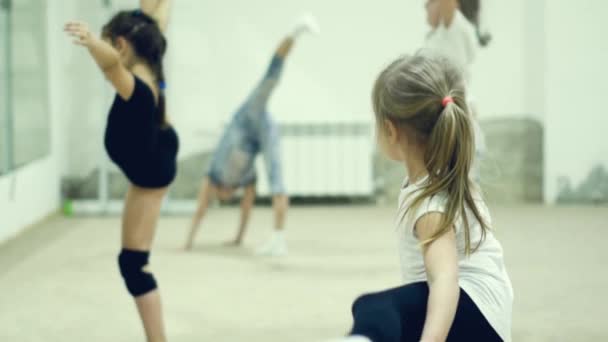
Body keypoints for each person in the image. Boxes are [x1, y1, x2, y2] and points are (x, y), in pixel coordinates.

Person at [331, 54, 513, 342]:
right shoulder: (444, 173)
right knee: (389, 313)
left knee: (375, 311)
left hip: (474, 316)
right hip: (481, 316)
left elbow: (445, 280)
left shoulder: (430, 204)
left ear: (390, 130)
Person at [64, 1, 176, 340]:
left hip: (150, 174)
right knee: (131, 263)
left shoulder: (136, 89)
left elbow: (111, 64)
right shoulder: (150, 51)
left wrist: (91, 42)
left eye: (108, 41)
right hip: (154, 154)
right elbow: (156, 15)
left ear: (122, 44)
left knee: (134, 266)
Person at [183, 15, 320, 257]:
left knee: (270, 80)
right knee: (277, 181)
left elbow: (200, 210)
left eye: (223, 198)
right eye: (227, 198)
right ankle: (279, 239)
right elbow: (246, 210)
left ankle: (294, 32)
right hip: (261, 133)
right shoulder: (245, 180)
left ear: (219, 192)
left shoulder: (213, 175)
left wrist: (188, 242)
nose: (226, 197)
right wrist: (237, 239)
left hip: (245, 118)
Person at [423, 0, 491, 178]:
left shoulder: (453, 28)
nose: (425, 6)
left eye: (430, 2)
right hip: (443, 113)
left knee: (459, 184)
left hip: (454, 111)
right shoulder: (437, 35)